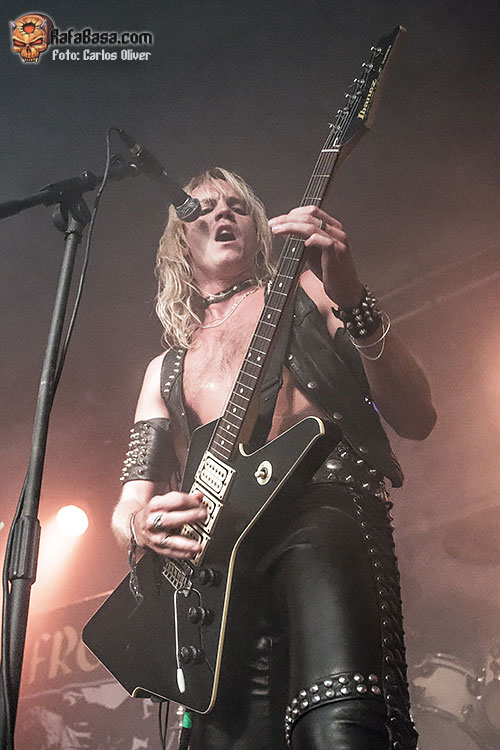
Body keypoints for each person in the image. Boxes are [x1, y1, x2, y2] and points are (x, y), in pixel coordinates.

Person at [111, 167, 436, 750]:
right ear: (179, 240)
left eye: (237, 205)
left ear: (258, 228)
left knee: (338, 725)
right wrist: (141, 525)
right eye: (202, 208)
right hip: (219, 573)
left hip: (323, 515)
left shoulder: (308, 294)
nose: (222, 213)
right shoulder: (165, 369)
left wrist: (354, 300)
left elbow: (416, 415)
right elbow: (131, 502)